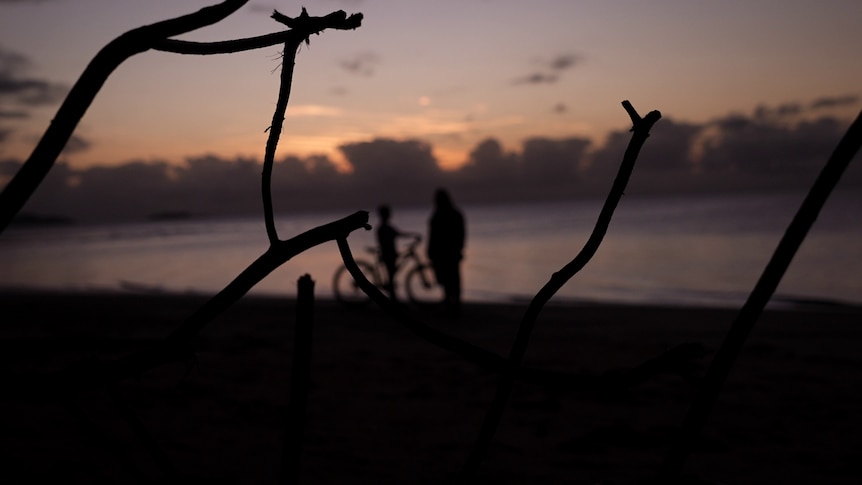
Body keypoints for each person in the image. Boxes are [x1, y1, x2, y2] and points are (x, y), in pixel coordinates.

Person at [427, 188, 466, 316]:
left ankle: (450, 302)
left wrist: (430, 250)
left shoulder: (437, 216)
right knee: (454, 278)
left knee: (446, 278)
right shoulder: (455, 214)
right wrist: (460, 248)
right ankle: (455, 303)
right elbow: (462, 234)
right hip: (452, 252)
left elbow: (432, 236)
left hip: (442, 253)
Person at [376, 204, 419, 299]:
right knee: (391, 276)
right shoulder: (385, 228)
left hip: (390, 254)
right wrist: (414, 235)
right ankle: (393, 299)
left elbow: (399, 234)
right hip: (389, 255)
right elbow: (399, 235)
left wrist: (413, 235)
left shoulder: (384, 228)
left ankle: (393, 298)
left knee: (391, 275)